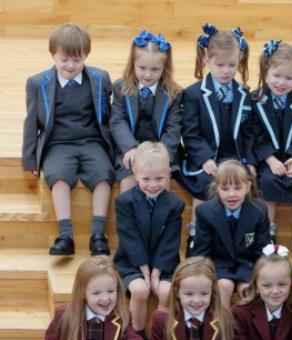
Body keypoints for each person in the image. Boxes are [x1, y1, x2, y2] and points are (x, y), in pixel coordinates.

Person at [22, 23, 113, 256]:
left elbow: (109, 117)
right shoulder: (37, 83)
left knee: (103, 175)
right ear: (53, 55)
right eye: (64, 60)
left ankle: (98, 234)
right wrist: (30, 160)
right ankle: (65, 235)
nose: (70, 66)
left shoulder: (100, 79)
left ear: (86, 56)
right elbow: (31, 122)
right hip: (58, 144)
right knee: (59, 178)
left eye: (76, 60)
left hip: (92, 141)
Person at [175, 24, 253, 253]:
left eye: (232, 65)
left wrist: (248, 160)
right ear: (207, 60)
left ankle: (234, 236)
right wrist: (204, 158)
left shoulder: (244, 94)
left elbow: (248, 132)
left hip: (235, 156)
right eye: (220, 65)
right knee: (204, 183)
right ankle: (195, 233)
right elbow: (190, 132)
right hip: (206, 158)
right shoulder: (193, 94)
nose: (226, 71)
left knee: (241, 181)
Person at [251, 40, 292, 261]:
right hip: (268, 159)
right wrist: (270, 160)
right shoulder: (255, 101)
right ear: (266, 71)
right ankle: (268, 234)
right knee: (267, 182)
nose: (281, 82)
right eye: (277, 76)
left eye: (289, 78)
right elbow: (253, 135)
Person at [114, 141, 184, 335]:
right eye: (146, 179)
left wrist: (156, 273)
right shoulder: (124, 202)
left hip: (164, 262)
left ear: (169, 174)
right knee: (139, 290)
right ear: (135, 174)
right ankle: (137, 334)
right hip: (132, 262)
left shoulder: (175, 205)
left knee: (165, 291)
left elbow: (170, 241)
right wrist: (145, 272)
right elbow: (130, 239)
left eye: (159, 178)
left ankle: (160, 335)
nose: (153, 185)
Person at [110, 30, 182, 193]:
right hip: (131, 150)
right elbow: (117, 121)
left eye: (155, 69)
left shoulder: (174, 94)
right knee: (128, 179)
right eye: (142, 68)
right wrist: (130, 148)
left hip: (161, 149)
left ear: (165, 68)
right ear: (133, 64)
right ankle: (130, 218)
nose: (147, 75)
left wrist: (162, 155)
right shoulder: (121, 88)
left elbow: (173, 129)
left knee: (161, 180)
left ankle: (160, 217)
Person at [192, 159, 271, 306]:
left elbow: (261, 250)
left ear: (247, 188)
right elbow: (201, 252)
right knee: (224, 286)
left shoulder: (259, 212)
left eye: (237, 188)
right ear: (217, 188)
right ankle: (223, 327)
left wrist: (257, 275)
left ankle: (244, 327)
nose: (231, 194)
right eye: (225, 189)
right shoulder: (205, 212)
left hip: (247, 265)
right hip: (219, 266)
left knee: (248, 289)